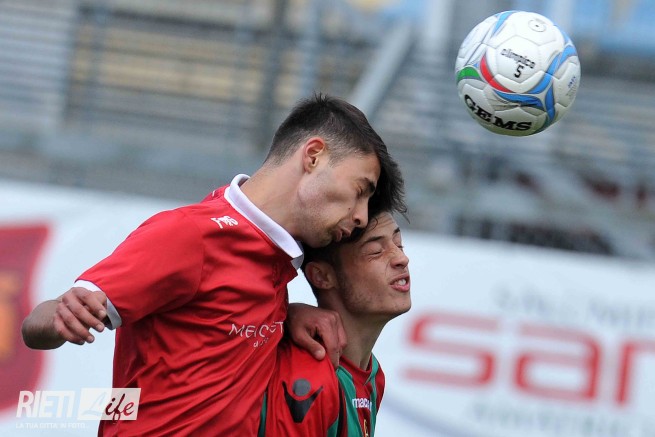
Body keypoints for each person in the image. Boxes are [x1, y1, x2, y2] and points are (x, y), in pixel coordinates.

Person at [21, 93, 407, 436]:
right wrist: (62, 316)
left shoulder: (280, 258)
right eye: (360, 191)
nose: (360, 215)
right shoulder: (191, 234)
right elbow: (37, 323)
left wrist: (288, 313)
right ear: (313, 156)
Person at [259, 210, 411, 436]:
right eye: (375, 251)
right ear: (321, 276)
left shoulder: (373, 374)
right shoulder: (309, 379)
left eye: (399, 245)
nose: (402, 259)